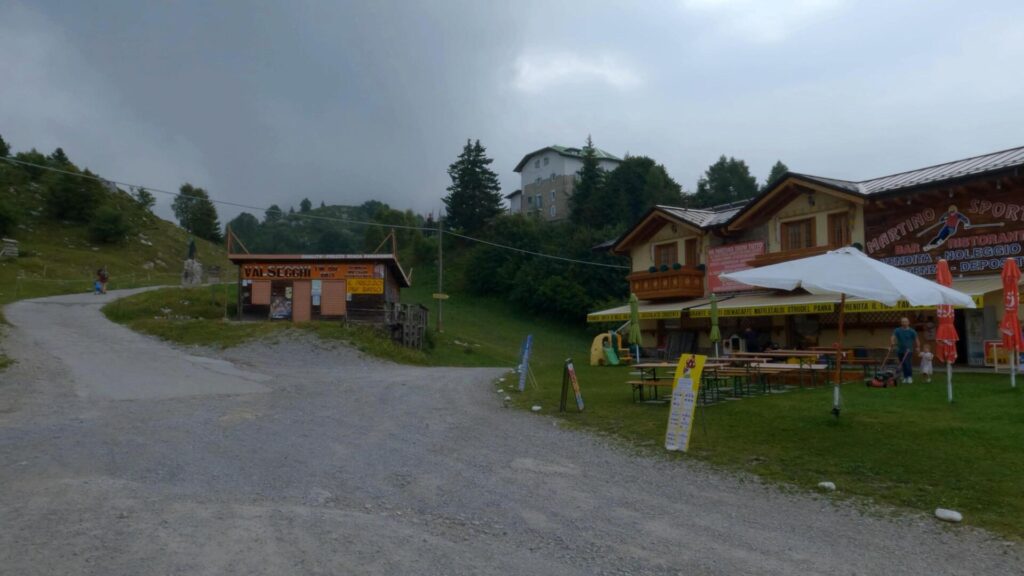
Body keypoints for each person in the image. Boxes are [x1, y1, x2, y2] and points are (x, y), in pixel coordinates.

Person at [890, 317, 920, 384]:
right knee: (903, 364)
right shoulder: (897, 330)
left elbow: (916, 339)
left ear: (908, 322)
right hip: (900, 350)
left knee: (907, 363)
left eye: (906, 321)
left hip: (908, 350)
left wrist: (918, 347)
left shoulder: (912, 331)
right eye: (903, 322)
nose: (904, 323)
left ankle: (909, 377)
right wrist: (892, 341)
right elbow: (893, 336)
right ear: (901, 323)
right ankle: (905, 377)